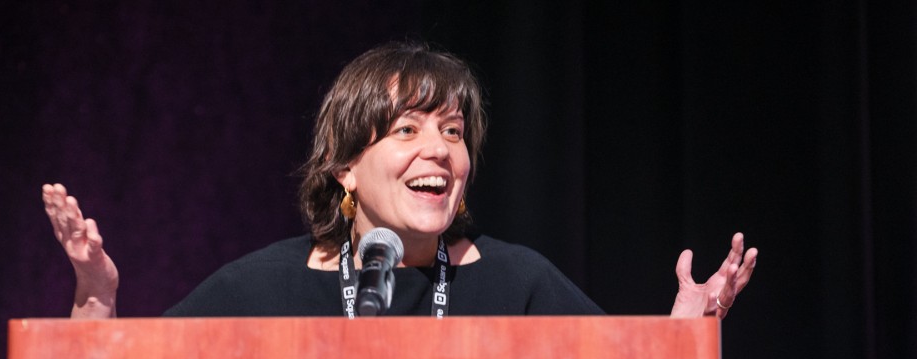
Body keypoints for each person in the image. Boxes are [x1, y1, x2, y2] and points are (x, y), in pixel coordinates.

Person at [43, 42, 756, 319]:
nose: (439, 151)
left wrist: (684, 335)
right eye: (407, 130)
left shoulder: (522, 284)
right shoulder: (257, 290)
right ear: (345, 166)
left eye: (453, 132)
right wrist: (96, 295)